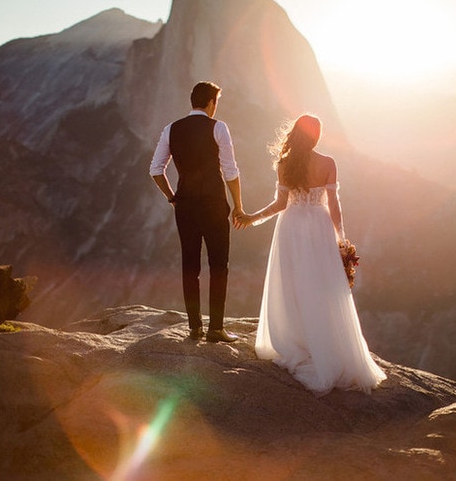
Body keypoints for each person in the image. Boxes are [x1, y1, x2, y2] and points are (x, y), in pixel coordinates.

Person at [237, 114, 386, 394]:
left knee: (293, 284)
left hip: (291, 227)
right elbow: (334, 204)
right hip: (319, 227)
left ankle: (298, 339)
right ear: (316, 136)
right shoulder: (328, 163)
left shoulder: (284, 164)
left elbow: (280, 204)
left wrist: (252, 218)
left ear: (295, 134)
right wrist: (341, 238)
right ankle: (326, 344)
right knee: (323, 286)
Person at [150, 81, 244, 343]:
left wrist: (172, 197)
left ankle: (194, 328)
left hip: (186, 205)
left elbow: (156, 170)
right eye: (217, 102)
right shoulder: (218, 128)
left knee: (190, 265)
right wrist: (238, 206)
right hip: (214, 204)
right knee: (219, 265)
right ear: (212, 102)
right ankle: (216, 329)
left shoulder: (171, 129)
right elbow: (230, 171)